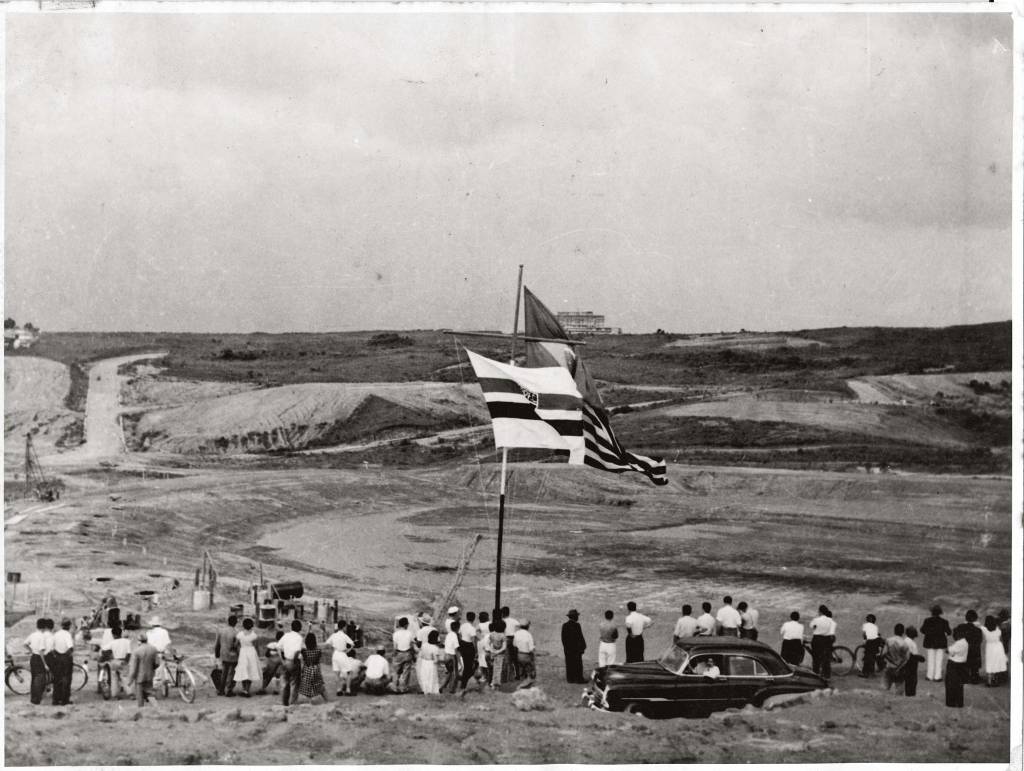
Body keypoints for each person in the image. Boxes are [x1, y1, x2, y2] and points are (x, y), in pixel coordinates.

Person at [126, 631, 159, 707]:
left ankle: (141, 711)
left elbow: (133, 668)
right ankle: (156, 707)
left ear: (139, 641)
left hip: (139, 677)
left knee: (140, 696)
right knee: (150, 693)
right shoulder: (153, 649)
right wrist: (152, 669)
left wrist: (130, 680)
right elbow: (157, 663)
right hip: (150, 676)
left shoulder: (136, 651)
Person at [920, 605, 952, 682]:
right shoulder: (944, 621)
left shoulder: (927, 620)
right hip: (940, 643)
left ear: (932, 612)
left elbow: (922, 630)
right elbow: (949, 632)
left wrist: (928, 633)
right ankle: (937, 676)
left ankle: (929, 676)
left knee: (931, 659)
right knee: (939, 660)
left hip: (930, 642)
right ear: (940, 613)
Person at [23, 618, 50, 705]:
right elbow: (41, 651)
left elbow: (25, 644)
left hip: (33, 657)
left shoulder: (33, 634)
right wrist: (45, 664)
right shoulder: (42, 636)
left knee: (34, 678)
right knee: (40, 679)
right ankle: (36, 700)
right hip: (39, 658)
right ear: (45, 627)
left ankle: (33, 698)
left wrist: (31, 651)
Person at [278, 619, 305, 706]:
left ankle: (284, 703)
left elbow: (278, 647)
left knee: (285, 683)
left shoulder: (286, 635)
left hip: (285, 660)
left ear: (291, 627)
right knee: (295, 683)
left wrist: (282, 659)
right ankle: (293, 702)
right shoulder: (299, 638)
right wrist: (294, 659)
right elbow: (297, 651)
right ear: (300, 628)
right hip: (294, 661)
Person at [233, 618, 262, 697]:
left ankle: (244, 689)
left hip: (243, 652)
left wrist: (239, 648)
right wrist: (258, 656)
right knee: (250, 670)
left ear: (243, 625)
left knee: (244, 670)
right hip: (251, 653)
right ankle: (247, 689)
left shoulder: (240, 634)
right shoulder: (254, 635)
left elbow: (235, 645)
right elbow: (256, 646)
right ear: (252, 626)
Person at [955, 610, 984, 684]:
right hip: (974, 650)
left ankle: (964, 678)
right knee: (974, 665)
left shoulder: (960, 627)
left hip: (963, 649)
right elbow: (980, 641)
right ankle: (974, 678)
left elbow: (955, 636)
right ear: (975, 619)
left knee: (964, 665)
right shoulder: (978, 630)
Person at [327, 620, 355, 696]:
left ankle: (338, 689)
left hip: (335, 654)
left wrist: (333, 649)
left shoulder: (334, 635)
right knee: (349, 672)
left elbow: (328, 643)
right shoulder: (344, 635)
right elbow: (352, 644)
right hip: (342, 653)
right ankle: (348, 690)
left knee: (337, 673)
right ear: (343, 627)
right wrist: (348, 650)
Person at [214, 615, 240, 696]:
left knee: (224, 672)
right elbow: (237, 646)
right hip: (233, 655)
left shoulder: (221, 631)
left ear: (228, 622)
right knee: (231, 673)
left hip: (223, 654)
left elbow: (217, 644)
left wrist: (217, 654)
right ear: (235, 623)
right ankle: (229, 690)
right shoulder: (236, 633)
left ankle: (221, 690)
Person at [297, 632, 327, 702]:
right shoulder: (318, 651)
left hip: (307, 669)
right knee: (319, 685)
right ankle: (327, 700)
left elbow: (304, 660)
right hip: (316, 669)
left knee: (307, 686)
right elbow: (318, 660)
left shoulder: (304, 651)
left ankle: (309, 702)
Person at [51, 618, 75, 706]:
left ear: (62, 625)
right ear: (69, 626)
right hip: (65, 658)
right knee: (67, 679)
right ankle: (65, 700)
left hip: (56, 657)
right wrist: (67, 655)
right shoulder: (67, 634)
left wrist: (56, 655)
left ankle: (55, 700)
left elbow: (51, 648)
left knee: (57, 679)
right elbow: (70, 647)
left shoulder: (56, 634)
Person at [809, 605, 836, 680]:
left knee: (816, 658)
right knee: (826, 659)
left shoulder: (816, 620)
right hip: (826, 640)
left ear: (820, 612)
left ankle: (816, 675)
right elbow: (832, 632)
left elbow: (812, 626)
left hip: (817, 639)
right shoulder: (831, 621)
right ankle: (827, 676)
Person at [882, 623, 910, 693]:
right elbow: (906, 658)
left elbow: (884, 653)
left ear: (894, 631)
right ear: (903, 632)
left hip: (888, 667)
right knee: (899, 691)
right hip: (899, 669)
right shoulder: (904, 644)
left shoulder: (888, 640)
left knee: (884, 689)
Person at [560, 609, 587, 684]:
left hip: (568, 649)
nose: (578, 617)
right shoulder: (577, 625)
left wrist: (566, 647)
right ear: (575, 617)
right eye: (577, 616)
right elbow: (580, 637)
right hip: (576, 649)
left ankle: (570, 679)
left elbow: (563, 638)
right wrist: (583, 646)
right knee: (578, 664)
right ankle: (579, 679)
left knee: (569, 663)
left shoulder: (565, 625)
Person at [945, 626, 969, 708]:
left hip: (954, 664)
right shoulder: (965, 642)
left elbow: (948, 651)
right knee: (959, 685)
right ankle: (959, 702)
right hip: (961, 664)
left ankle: (951, 702)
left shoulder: (959, 643)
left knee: (951, 684)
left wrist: (947, 648)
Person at [392, 616, 416, 694]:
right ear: (406, 625)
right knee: (406, 671)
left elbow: (395, 646)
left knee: (396, 671)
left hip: (398, 653)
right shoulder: (409, 633)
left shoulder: (396, 633)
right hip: (407, 653)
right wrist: (413, 654)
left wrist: (394, 654)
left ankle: (395, 687)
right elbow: (411, 645)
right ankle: (403, 688)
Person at [981, 615, 1007, 686]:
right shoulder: (998, 629)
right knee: (996, 663)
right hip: (998, 647)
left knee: (990, 662)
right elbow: (1001, 640)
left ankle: (989, 681)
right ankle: (995, 680)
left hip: (990, 647)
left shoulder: (984, 629)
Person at [108, 626, 132, 700]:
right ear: (121, 633)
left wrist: (110, 657)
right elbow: (129, 653)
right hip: (123, 660)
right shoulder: (127, 641)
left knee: (114, 678)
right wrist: (126, 661)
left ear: (113, 635)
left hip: (115, 661)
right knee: (125, 678)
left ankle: (115, 695)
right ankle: (130, 694)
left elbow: (105, 650)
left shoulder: (112, 643)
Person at [417, 629, 443, 694]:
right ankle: (431, 690)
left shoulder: (424, 645)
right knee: (431, 677)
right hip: (431, 664)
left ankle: (425, 689)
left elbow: (421, 655)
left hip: (424, 662)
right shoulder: (435, 648)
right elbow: (436, 660)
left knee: (424, 676)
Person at [457, 611, 478, 691]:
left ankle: (464, 682)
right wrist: (476, 651)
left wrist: (461, 642)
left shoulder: (463, 626)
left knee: (466, 665)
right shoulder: (472, 629)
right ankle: (464, 684)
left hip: (462, 644)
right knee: (468, 666)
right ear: (474, 619)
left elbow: (459, 635)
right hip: (469, 646)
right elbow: (473, 641)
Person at [902, 626, 924, 697]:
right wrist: (919, 657)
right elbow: (910, 654)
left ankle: (911, 692)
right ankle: (910, 693)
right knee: (911, 678)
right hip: (910, 662)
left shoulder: (909, 641)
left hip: (912, 661)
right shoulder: (908, 641)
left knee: (912, 678)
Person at [486, 620, 508, 689]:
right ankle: (496, 684)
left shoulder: (492, 634)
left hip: (492, 653)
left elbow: (488, 643)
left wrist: (491, 650)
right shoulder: (503, 636)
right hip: (500, 654)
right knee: (498, 669)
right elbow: (504, 647)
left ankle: (491, 683)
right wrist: (498, 652)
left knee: (492, 668)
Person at [860, 614, 882, 678]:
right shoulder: (875, 626)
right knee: (873, 655)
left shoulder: (865, 625)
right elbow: (876, 634)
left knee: (867, 656)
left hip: (870, 642)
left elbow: (864, 635)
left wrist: (864, 641)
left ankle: (865, 673)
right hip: (877, 641)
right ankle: (872, 671)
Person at [501, 607, 521, 680]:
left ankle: (508, 676)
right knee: (515, 658)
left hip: (506, 639)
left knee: (507, 659)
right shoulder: (515, 621)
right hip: (514, 639)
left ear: (502, 613)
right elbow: (518, 632)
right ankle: (517, 674)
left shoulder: (501, 621)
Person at [441, 620, 460, 693]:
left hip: (446, 655)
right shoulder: (455, 635)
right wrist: (459, 660)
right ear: (457, 628)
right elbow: (456, 648)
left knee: (449, 672)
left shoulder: (448, 634)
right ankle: (452, 689)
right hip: (452, 656)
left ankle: (443, 686)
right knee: (455, 673)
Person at [476, 612, 492, 686]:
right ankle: (489, 676)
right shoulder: (490, 623)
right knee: (488, 658)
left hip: (481, 642)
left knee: (481, 659)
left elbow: (477, 634)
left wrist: (482, 639)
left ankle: (483, 675)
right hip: (489, 641)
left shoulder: (479, 625)